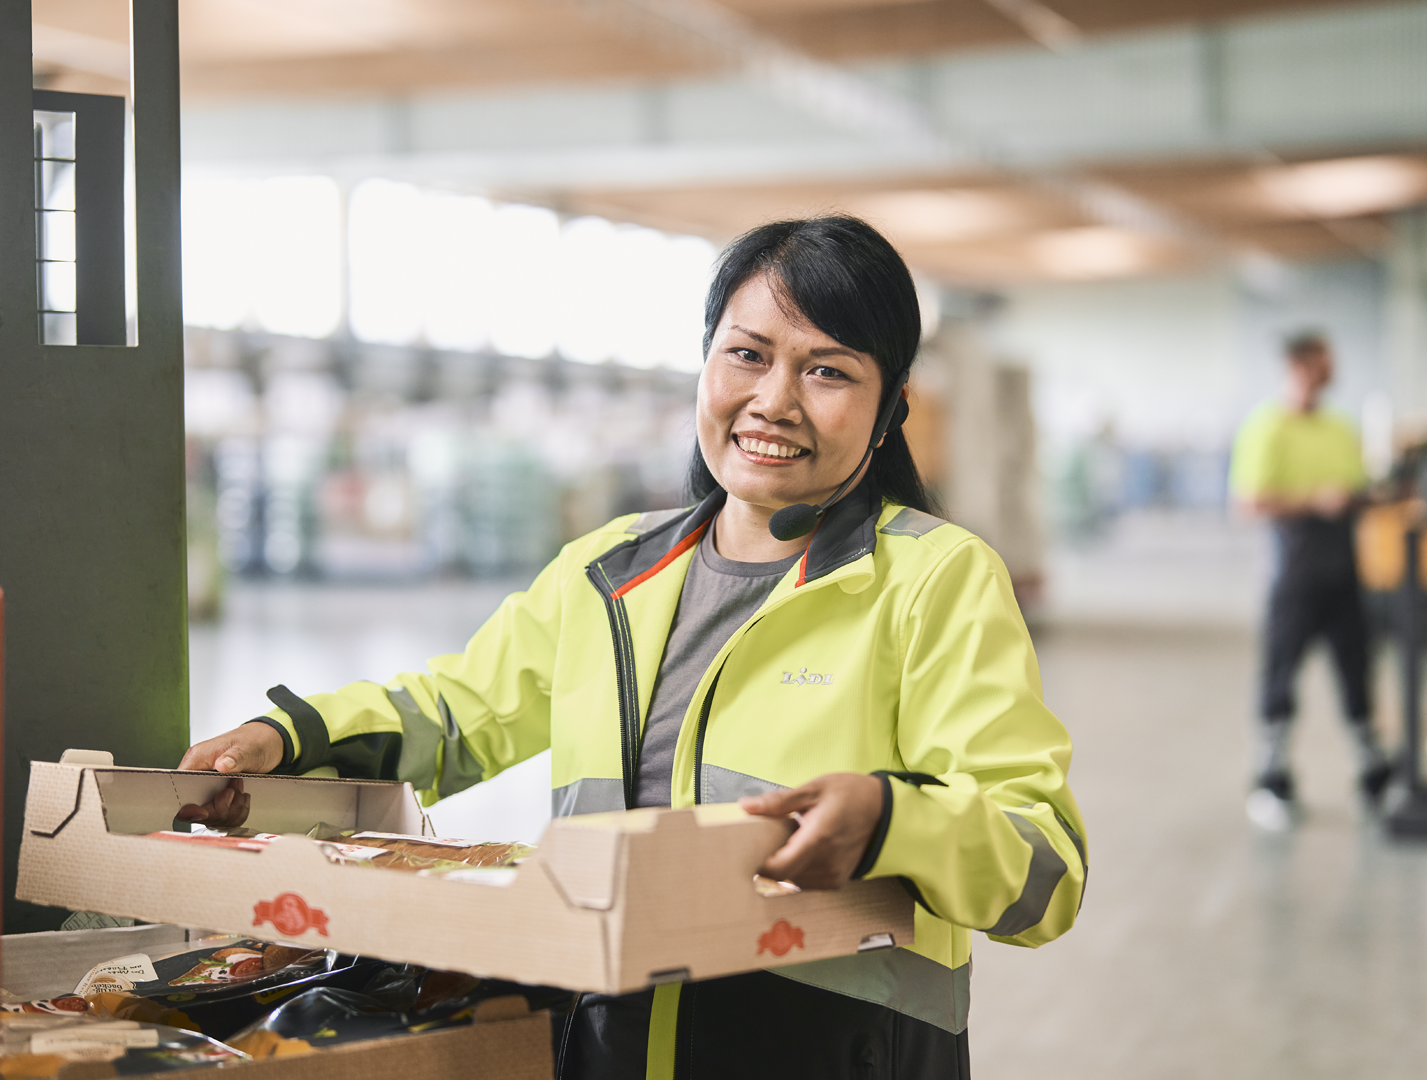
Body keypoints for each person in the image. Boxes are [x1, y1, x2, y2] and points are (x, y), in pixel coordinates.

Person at [177, 216, 1087, 1079]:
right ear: (704, 366)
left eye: (828, 371)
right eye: (748, 354)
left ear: (888, 411)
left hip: (832, 1052)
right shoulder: (609, 573)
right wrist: (287, 740)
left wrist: (891, 822)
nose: (774, 400)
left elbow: (1042, 869)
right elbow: (455, 711)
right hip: (607, 1044)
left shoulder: (935, 581)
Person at [1228, 331, 1390, 831]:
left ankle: (1372, 776)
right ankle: (1271, 778)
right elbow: (1249, 503)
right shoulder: (1266, 427)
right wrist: (1314, 500)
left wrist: (1371, 497)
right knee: (1281, 675)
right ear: (1299, 367)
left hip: (1343, 569)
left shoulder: (1339, 428)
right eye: (1324, 364)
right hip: (1293, 570)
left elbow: (1357, 488)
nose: (1331, 373)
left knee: (1357, 673)